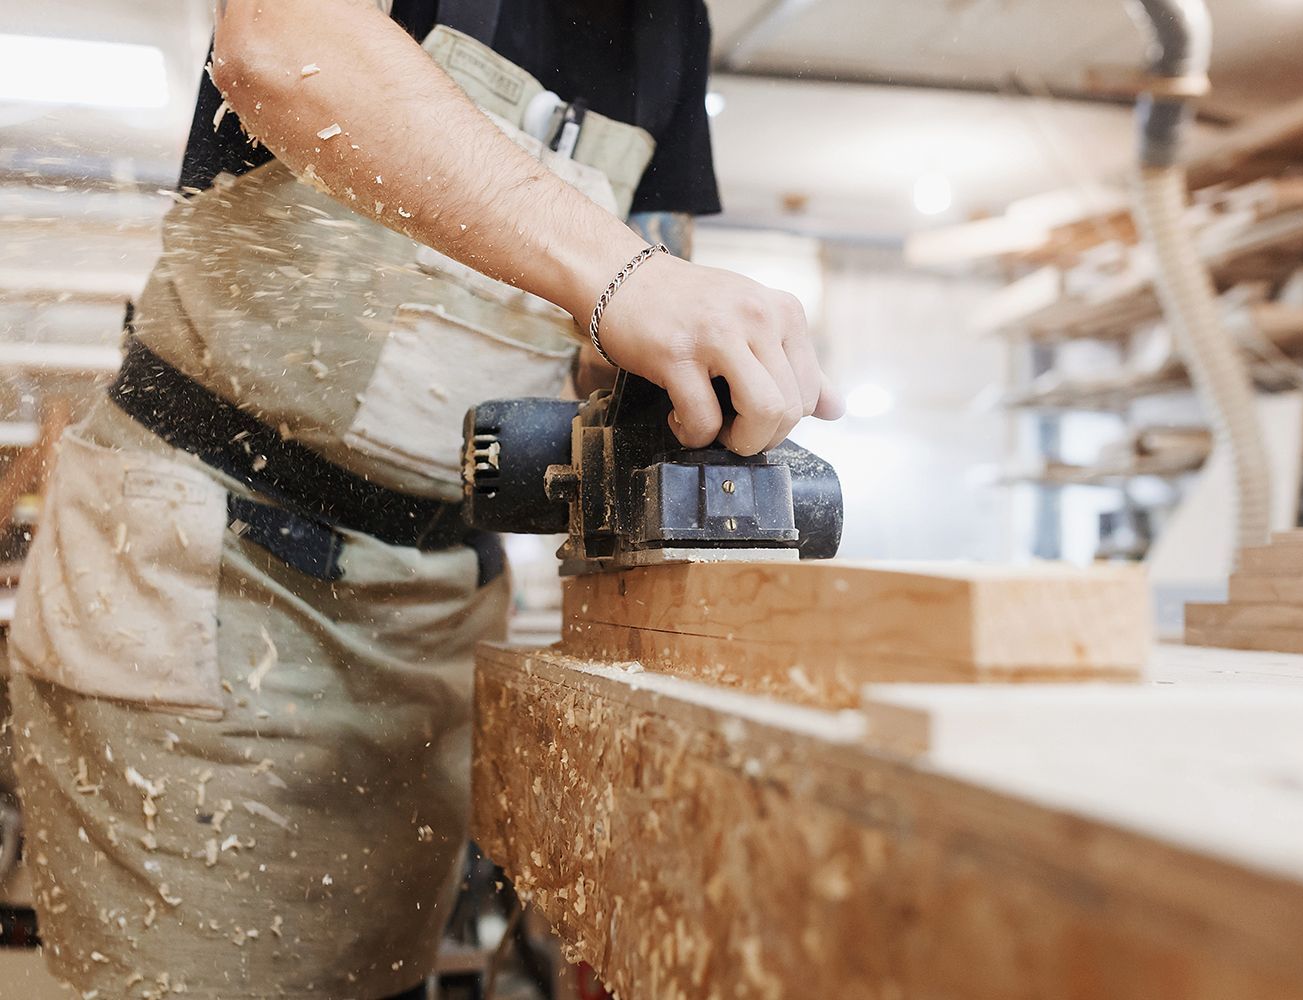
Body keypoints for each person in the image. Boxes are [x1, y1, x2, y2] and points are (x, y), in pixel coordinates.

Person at [6, 0, 843, 996]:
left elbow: (624, 322)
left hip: (431, 613)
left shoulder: (669, 25)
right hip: (204, 573)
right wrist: (627, 274)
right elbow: (278, 44)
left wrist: (691, 361)